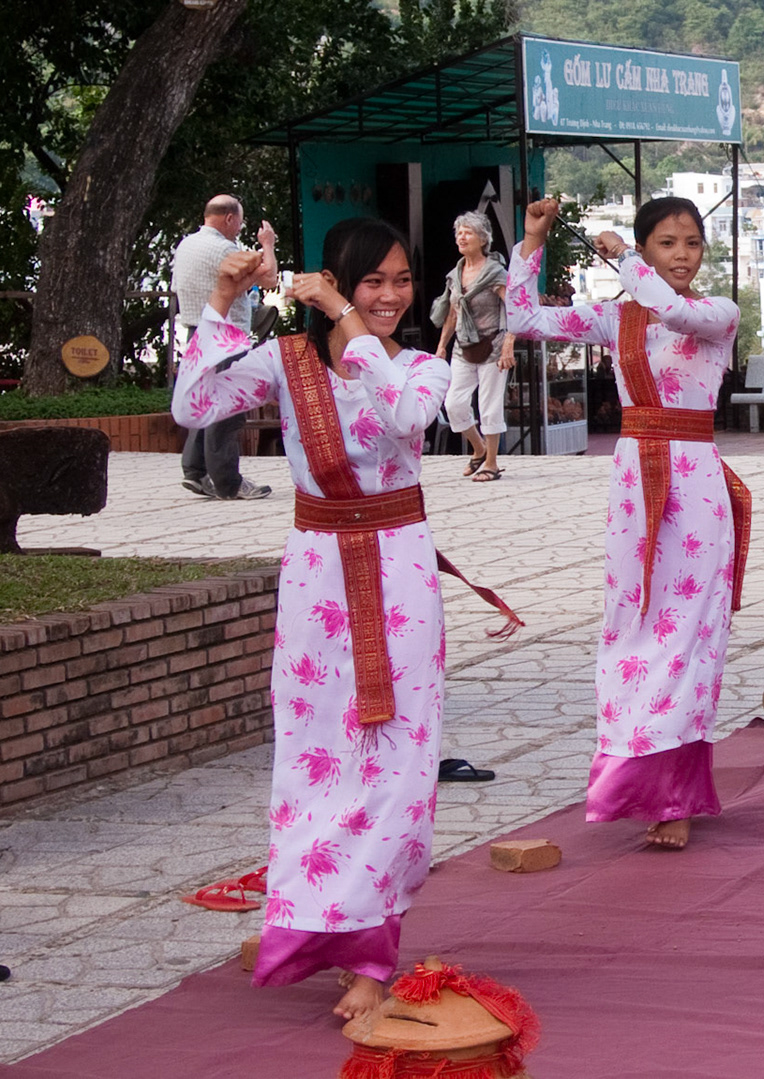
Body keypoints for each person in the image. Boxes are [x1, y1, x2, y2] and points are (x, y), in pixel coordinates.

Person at [173, 217, 514, 1021]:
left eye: (401, 280)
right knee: (317, 762)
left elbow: (403, 418)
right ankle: (322, 920)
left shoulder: (420, 369)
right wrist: (221, 299)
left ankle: (367, 949)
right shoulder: (287, 362)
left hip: (398, 576)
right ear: (335, 281)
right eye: (372, 282)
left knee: (397, 766)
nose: (391, 295)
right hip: (317, 581)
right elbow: (193, 404)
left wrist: (343, 315)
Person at [505, 196, 748, 851]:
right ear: (646, 247)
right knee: (631, 624)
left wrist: (626, 263)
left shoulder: (717, 314)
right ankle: (634, 779)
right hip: (636, 484)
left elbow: (674, 310)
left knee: (689, 633)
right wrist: (532, 241)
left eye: (691, 243)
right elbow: (523, 318)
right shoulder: (616, 318)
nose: (681, 255)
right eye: (666, 243)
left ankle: (676, 796)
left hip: (695, 486)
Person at [172, 194, 276, 500]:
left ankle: (195, 471)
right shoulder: (224, 249)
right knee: (228, 409)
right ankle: (227, 481)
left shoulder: (186, 245)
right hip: (225, 335)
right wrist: (268, 244)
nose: (240, 228)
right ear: (230, 219)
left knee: (201, 398)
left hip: (197, 329)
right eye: (239, 222)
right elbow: (269, 278)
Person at [433, 211, 515, 482]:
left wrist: (508, 346)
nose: (461, 236)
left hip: (493, 346)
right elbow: (452, 313)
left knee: (489, 406)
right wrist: (441, 347)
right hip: (463, 348)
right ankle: (479, 448)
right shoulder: (455, 275)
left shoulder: (496, 273)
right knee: (453, 404)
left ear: (483, 239)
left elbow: (514, 310)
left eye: (467, 232)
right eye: (459, 232)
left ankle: (491, 463)